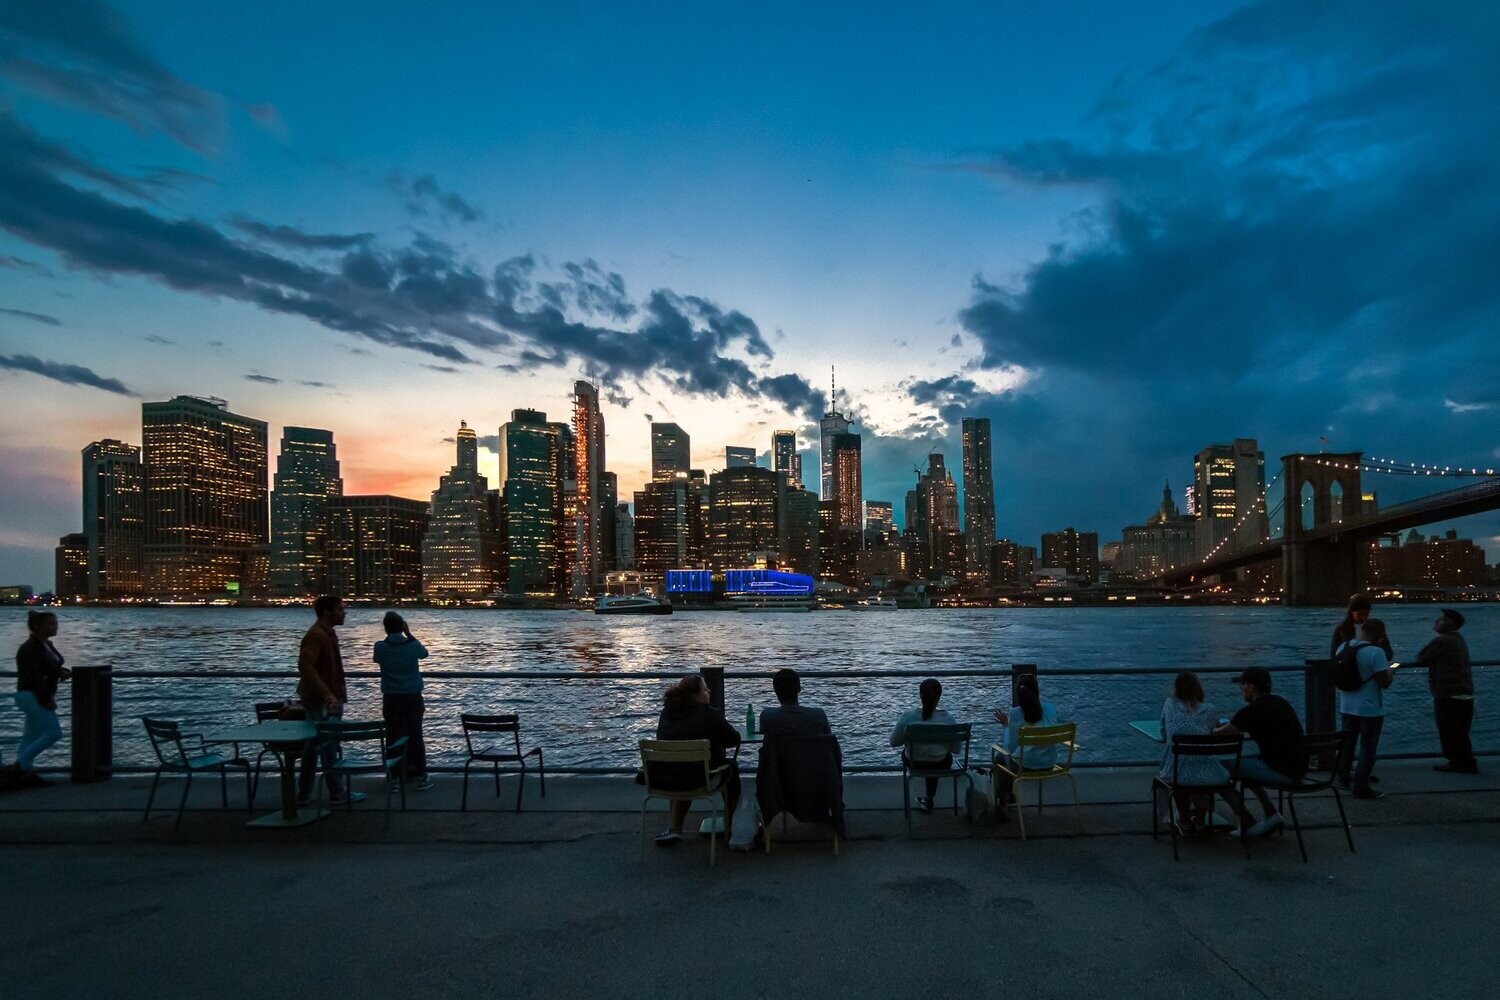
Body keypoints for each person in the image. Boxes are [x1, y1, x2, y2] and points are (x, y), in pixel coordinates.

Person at [650, 674, 741, 846]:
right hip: (699, 778)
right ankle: (729, 824)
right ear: (696, 695)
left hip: (666, 777)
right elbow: (733, 739)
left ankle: (675, 828)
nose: (709, 691)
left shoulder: (666, 713)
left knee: (684, 766)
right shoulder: (709, 714)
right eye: (705, 689)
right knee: (731, 767)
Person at [1158, 671, 1252, 836]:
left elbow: (1164, 733)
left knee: (1182, 770)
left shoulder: (1169, 704)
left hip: (1177, 773)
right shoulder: (1209, 709)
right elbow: (1209, 731)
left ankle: (1185, 822)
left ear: (1176, 688)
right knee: (1205, 768)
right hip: (1208, 774)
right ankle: (1201, 821)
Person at [1217, 667, 1303, 836]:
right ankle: (1270, 813)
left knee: (1214, 771)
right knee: (1246, 764)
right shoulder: (1281, 702)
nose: (1241, 689)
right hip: (1297, 768)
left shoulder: (1251, 711)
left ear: (1252, 687)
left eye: (1242, 685)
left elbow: (1220, 733)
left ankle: (1248, 822)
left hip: (1280, 771)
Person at [296, 595, 363, 804]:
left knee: (313, 746)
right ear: (327, 612)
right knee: (328, 745)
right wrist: (327, 695)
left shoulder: (326, 633)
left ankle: (305, 793)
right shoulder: (317, 635)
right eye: (340, 609)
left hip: (324, 697)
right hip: (323, 700)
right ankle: (336, 792)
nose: (344, 613)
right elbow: (305, 665)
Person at [9, 611, 70, 787]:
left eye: (55, 623)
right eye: (51, 624)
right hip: (33, 695)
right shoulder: (31, 648)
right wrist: (46, 699)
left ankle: (25, 774)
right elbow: (35, 675)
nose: (56, 626)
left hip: (34, 694)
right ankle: (18, 767)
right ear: (37, 626)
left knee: (31, 736)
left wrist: (60, 672)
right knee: (53, 733)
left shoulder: (44, 645)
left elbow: (48, 667)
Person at [1336, 618, 1394, 799]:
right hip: (1369, 708)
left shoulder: (1343, 648)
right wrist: (1391, 672)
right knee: (1368, 748)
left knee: (1347, 745)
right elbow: (1384, 683)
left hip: (1346, 705)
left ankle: (1342, 779)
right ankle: (1361, 786)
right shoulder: (1376, 652)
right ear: (1380, 635)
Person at [373, 611, 432, 790]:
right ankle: (420, 775)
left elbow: (377, 659)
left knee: (393, 736)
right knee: (416, 735)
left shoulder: (380, 647)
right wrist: (410, 634)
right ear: (403, 626)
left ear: (386, 628)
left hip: (391, 697)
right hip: (412, 696)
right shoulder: (413, 645)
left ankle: (395, 778)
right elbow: (425, 654)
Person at [991, 674, 1061, 810]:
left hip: (1025, 767)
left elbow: (1010, 748)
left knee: (1000, 758)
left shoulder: (1016, 713)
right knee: (1011, 758)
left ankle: (1002, 805)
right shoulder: (1050, 709)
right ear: (1037, 691)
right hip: (1049, 764)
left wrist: (1006, 726)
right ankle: (1010, 796)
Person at [889, 678, 960, 814]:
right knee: (937, 755)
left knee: (913, 753)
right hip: (941, 765)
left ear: (920, 695)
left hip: (914, 764)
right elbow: (956, 750)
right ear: (939, 696)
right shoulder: (949, 719)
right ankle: (929, 798)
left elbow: (893, 742)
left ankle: (927, 800)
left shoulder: (908, 717)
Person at [1419, 609, 1476, 774]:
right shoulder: (1459, 639)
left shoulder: (1442, 640)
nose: (1437, 621)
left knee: (1448, 730)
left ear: (1449, 624)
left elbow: (1422, 658)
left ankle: (1456, 762)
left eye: (1441, 619)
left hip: (1448, 693)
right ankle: (1467, 762)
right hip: (1466, 692)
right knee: (1462, 731)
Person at [760, 668, 832, 739]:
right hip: (810, 750)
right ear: (799, 689)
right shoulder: (819, 715)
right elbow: (829, 741)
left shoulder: (767, 716)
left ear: (775, 690)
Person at [1330, 593, 1391, 660]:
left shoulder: (1377, 627)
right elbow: (1334, 655)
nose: (1363, 618)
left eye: (1366, 614)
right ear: (1351, 612)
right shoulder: (1341, 629)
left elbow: (1389, 654)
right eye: (1360, 615)